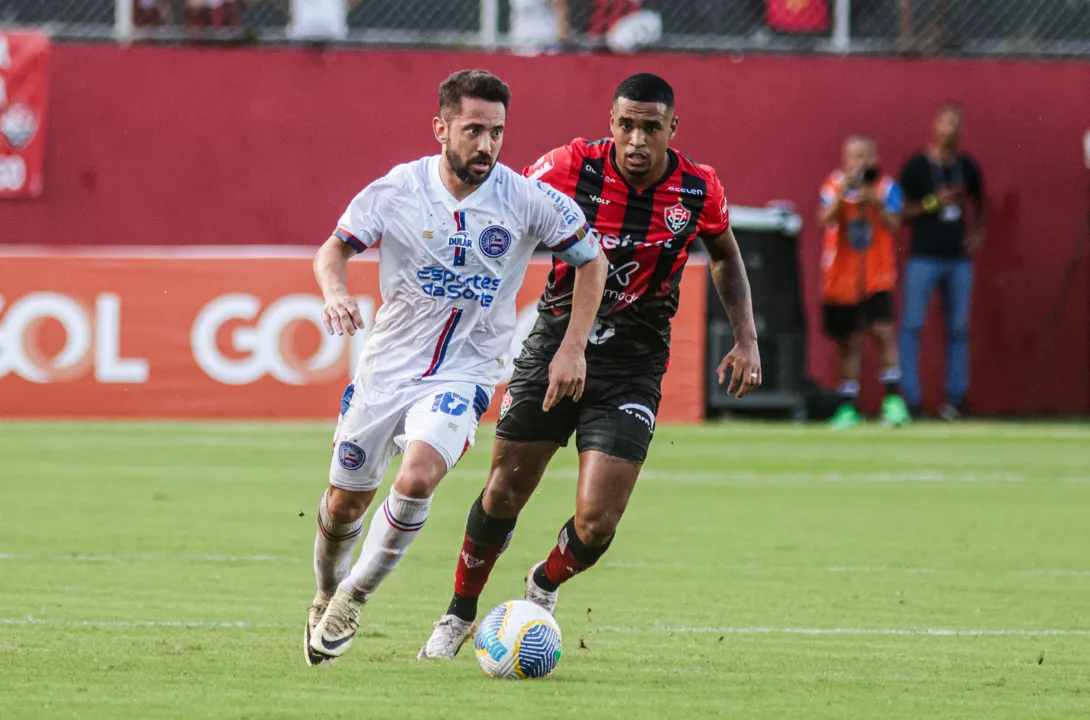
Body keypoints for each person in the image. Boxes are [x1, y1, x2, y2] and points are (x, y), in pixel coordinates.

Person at [419, 73, 761, 659]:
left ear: (671, 130)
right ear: (611, 123)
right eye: (626, 125)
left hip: (633, 362)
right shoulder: (565, 168)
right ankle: (459, 613)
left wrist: (746, 340)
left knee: (598, 523)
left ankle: (543, 584)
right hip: (556, 344)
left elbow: (725, 254)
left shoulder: (698, 190)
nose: (636, 139)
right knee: (504, 492)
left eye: (650, 128)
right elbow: (499, 211)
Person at [304, 69, 608, 665]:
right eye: (473, 130)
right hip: (385, 371)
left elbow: (590, 261)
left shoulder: (525, 199)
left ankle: (353, 598)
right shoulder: (397, 189)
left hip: (463, 375)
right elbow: (333, 248)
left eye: (496, 132)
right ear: (441, 127)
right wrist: (335, 291)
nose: (487, 145)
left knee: (417, 477)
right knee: (344, 506)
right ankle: (323, 592)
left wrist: (574, 345)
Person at [898, 104, 986, 420]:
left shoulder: (967, 167)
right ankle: (910, 398)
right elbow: (899, 211)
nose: (951, 130)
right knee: (912, 326)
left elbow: (981, 203)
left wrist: (977, 233)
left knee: (958, 328)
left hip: (958, 260)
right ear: (934, 126)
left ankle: (956, 398)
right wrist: (933, 203)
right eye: (946, 123)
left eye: (956, 124)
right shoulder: (918, 167)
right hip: (923, 257)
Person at [818, 135, 910, 429]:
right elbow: (824, 218)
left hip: (876, 275)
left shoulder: (886, 187)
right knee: (850, 342)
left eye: (865, 156)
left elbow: (895, 224)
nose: (860, 162)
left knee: (883, 334)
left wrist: (875, 202)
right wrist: (845, 192)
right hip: (842, 280)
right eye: (854, 157)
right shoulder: (833, 185)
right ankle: (848, 406)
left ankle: (894, 403)